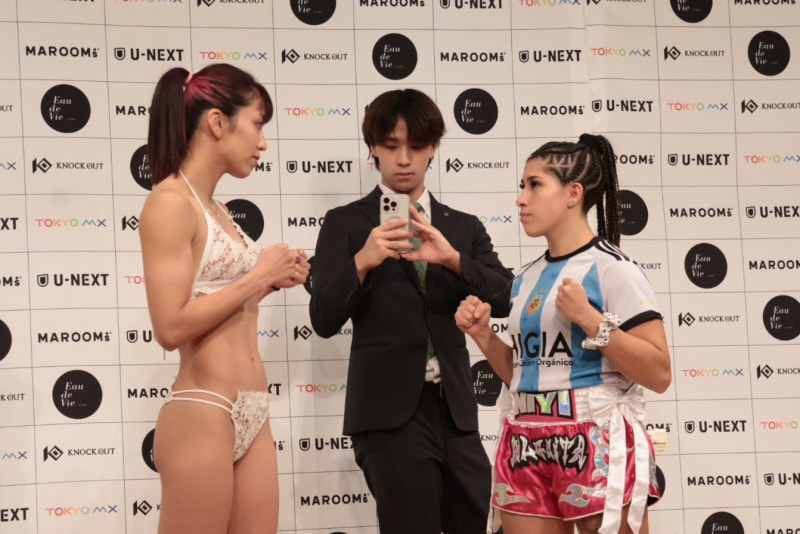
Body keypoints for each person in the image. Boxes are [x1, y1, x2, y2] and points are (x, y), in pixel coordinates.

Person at [309, 88, 514, 534]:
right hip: (388, 415)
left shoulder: (462, 227)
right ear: (373, 149)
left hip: (456, 411)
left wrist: (453, 259)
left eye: (417, 146)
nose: (404, 159)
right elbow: (323, 319)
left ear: (434, 148)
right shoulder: (345, 223)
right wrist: (362, 261)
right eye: (391, 145)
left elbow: (505, 297)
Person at [455, 134, 671, 534]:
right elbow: (524, 374)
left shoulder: (613, 268)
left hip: (596, 435)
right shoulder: (524, 278)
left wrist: (590, 320)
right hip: (524, 437)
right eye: (522, 186)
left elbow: (659, 373)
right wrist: (483, 335)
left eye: (535, 185)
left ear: (573, 193)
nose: (521, 199)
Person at [139, 64, 310, 534]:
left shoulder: (217, 209)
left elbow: (217, 298)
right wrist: (258, 276)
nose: (263, 143)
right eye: (257, 124)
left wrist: (271, 281)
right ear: (218, 122)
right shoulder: (169, 203)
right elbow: (170, 328)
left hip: (253, 410)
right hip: (204, 409)